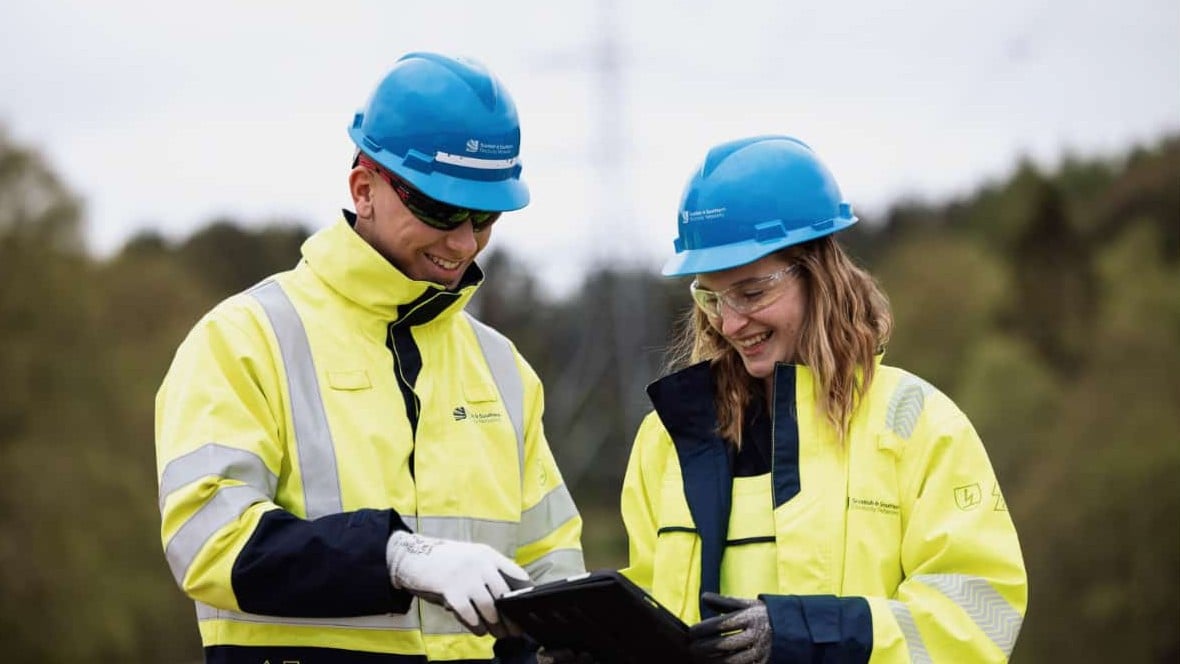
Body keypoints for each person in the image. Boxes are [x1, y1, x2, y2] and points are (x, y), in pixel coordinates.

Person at [155, 51, 585, 664]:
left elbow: (553, 565)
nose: (463, 242)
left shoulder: (505, 369)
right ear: (364, 189)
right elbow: (207, 539)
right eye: (440, 210)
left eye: (485, 216)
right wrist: (398, 558)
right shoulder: (244, 338)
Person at [620, 135, 1028, 662]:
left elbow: (979, 616)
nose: (730, 322)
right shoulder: (665, 441)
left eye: (752, 292)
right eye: (712, 297)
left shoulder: (919, 423)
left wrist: (810, 635)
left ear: (820, 277)